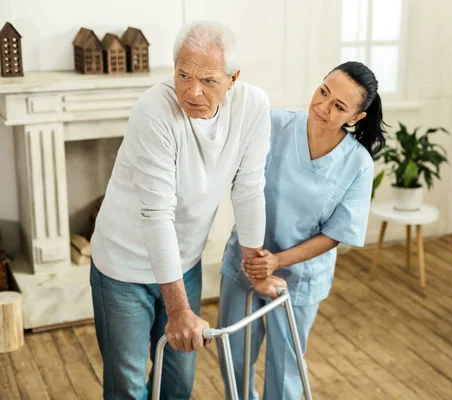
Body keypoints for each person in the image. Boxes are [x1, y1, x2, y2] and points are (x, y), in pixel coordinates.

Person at [89, 20, 281, 399]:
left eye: (208, 81)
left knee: (178, 381)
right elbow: (156, 214)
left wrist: (254, 265)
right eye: (183, 75)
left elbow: (248, 188)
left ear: (233, 78)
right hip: (122, 267)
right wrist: (178, 312)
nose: (192, 92)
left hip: (184, 260)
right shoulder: (154, 112)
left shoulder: (253, 106)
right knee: (127, 386)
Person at [217, 61, 386, 399]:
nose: (323, 107)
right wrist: (258, 259)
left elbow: (337, 233)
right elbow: (240, 183)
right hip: (246, 260)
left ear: (355, 118)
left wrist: (277, 262)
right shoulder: (274, 125)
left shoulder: (357, 163)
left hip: (301, 275)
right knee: (233, 354)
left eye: (339, 106)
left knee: (285, 369)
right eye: (323, 92)